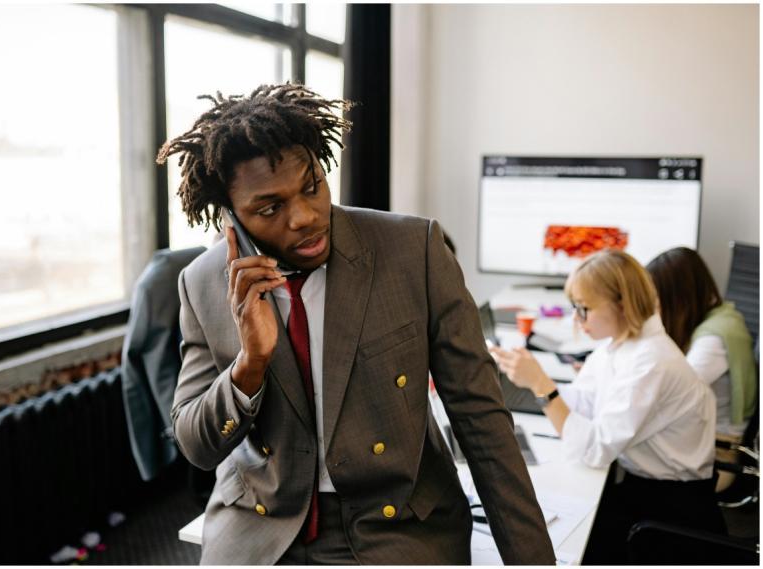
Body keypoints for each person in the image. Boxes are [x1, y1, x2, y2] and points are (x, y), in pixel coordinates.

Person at [157, 84, 554, 565]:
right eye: (269, 208)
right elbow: (197, 445)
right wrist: (250, 364)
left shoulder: (414, 250)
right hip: (262, 528)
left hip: (398, 527)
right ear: (231, 219)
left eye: (312, 186)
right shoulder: (202, 283)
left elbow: (482, 419)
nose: (304, 217)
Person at [490, 249, 723, 563]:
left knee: (561, 544)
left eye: (584, 309)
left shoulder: (651, 363)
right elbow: (585, 404)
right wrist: (535, 378)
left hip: (669, 509)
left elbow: (594, 451)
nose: (577, 320)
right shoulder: (620, 343)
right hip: (643, 486)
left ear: (622, 305)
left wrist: (542, 387)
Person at [646, 246, 757, 491]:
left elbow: (670, 394)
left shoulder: (714, 340)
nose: (653, 306)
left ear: (677, 296)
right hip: (695, 439)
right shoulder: (714, 317)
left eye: (656, 297)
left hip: (717, 454)